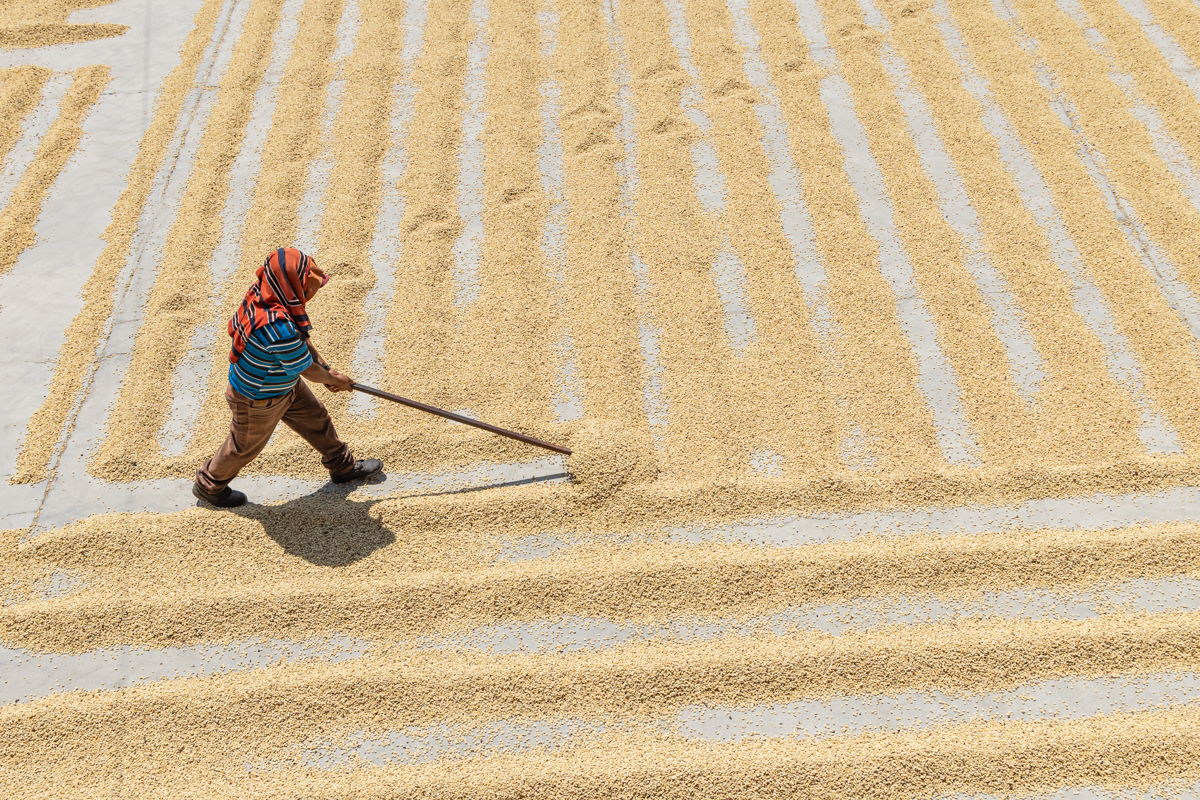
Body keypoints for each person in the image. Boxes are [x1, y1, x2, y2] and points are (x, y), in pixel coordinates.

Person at [193, 247, 382, 508]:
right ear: (292, 284)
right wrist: (334, 379)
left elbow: (301, 344)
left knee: (317, 419)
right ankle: (209, 486)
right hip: (257, 398)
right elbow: (304, 367)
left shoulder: (269, 292)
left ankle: (342, 466)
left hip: (282, 382)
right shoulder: (275, 325)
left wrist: (327, 369)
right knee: (243, 447)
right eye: (307, 287)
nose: (310, 294)